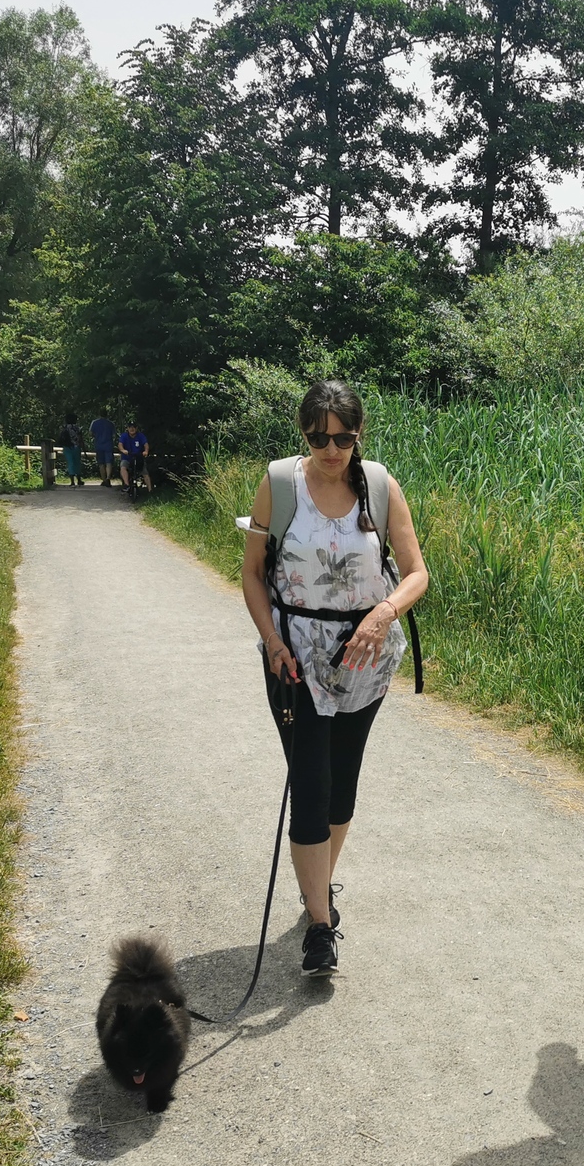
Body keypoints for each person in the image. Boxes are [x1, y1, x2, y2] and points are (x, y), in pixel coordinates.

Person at [240, 380, 429, 977]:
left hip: (364, 656)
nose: (331, 450)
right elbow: (252, 573)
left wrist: (384, 613)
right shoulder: (279, 484)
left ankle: (316, 887)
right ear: (304, 434)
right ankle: (320, 929)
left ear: (358, 434)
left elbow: (416, 573)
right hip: (294, 657)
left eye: (343, 438)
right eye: (319, 438)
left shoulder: (379, 486)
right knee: (311, 782)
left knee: (342, 782)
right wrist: (273, 641)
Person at [118, 422, 149, 493]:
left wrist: (146, 451)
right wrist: (123, 450)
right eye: (130, 427)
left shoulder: (141, 436)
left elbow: (146, 444)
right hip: (127, 457)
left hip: (138, 457)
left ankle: (150, 491)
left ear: (136, 428)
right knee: (123, 467)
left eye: (134, 427)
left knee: (144, 472)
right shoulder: (124, 436)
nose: (132, 429)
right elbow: (120, 444)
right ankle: (127, 485)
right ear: (128, 428)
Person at [90, 411, 117, 486]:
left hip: (99, 445)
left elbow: (91, 433)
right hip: (108, 445)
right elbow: (114, 435)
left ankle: (104, 479)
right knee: (109, 462)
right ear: (107, 415)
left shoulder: (94, 423)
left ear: (99, 414)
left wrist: (96, 436)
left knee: (101, 463)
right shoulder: (111, 424)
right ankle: (108, 478)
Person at [61, 412, 84, 486]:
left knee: (70, 463)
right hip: (76, 447)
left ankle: (72, 481)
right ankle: (79, 480)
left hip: (67, 447)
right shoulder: (77, 428)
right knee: (77, 462)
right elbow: (80, 438)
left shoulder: (64, 428)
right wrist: (83, 447)